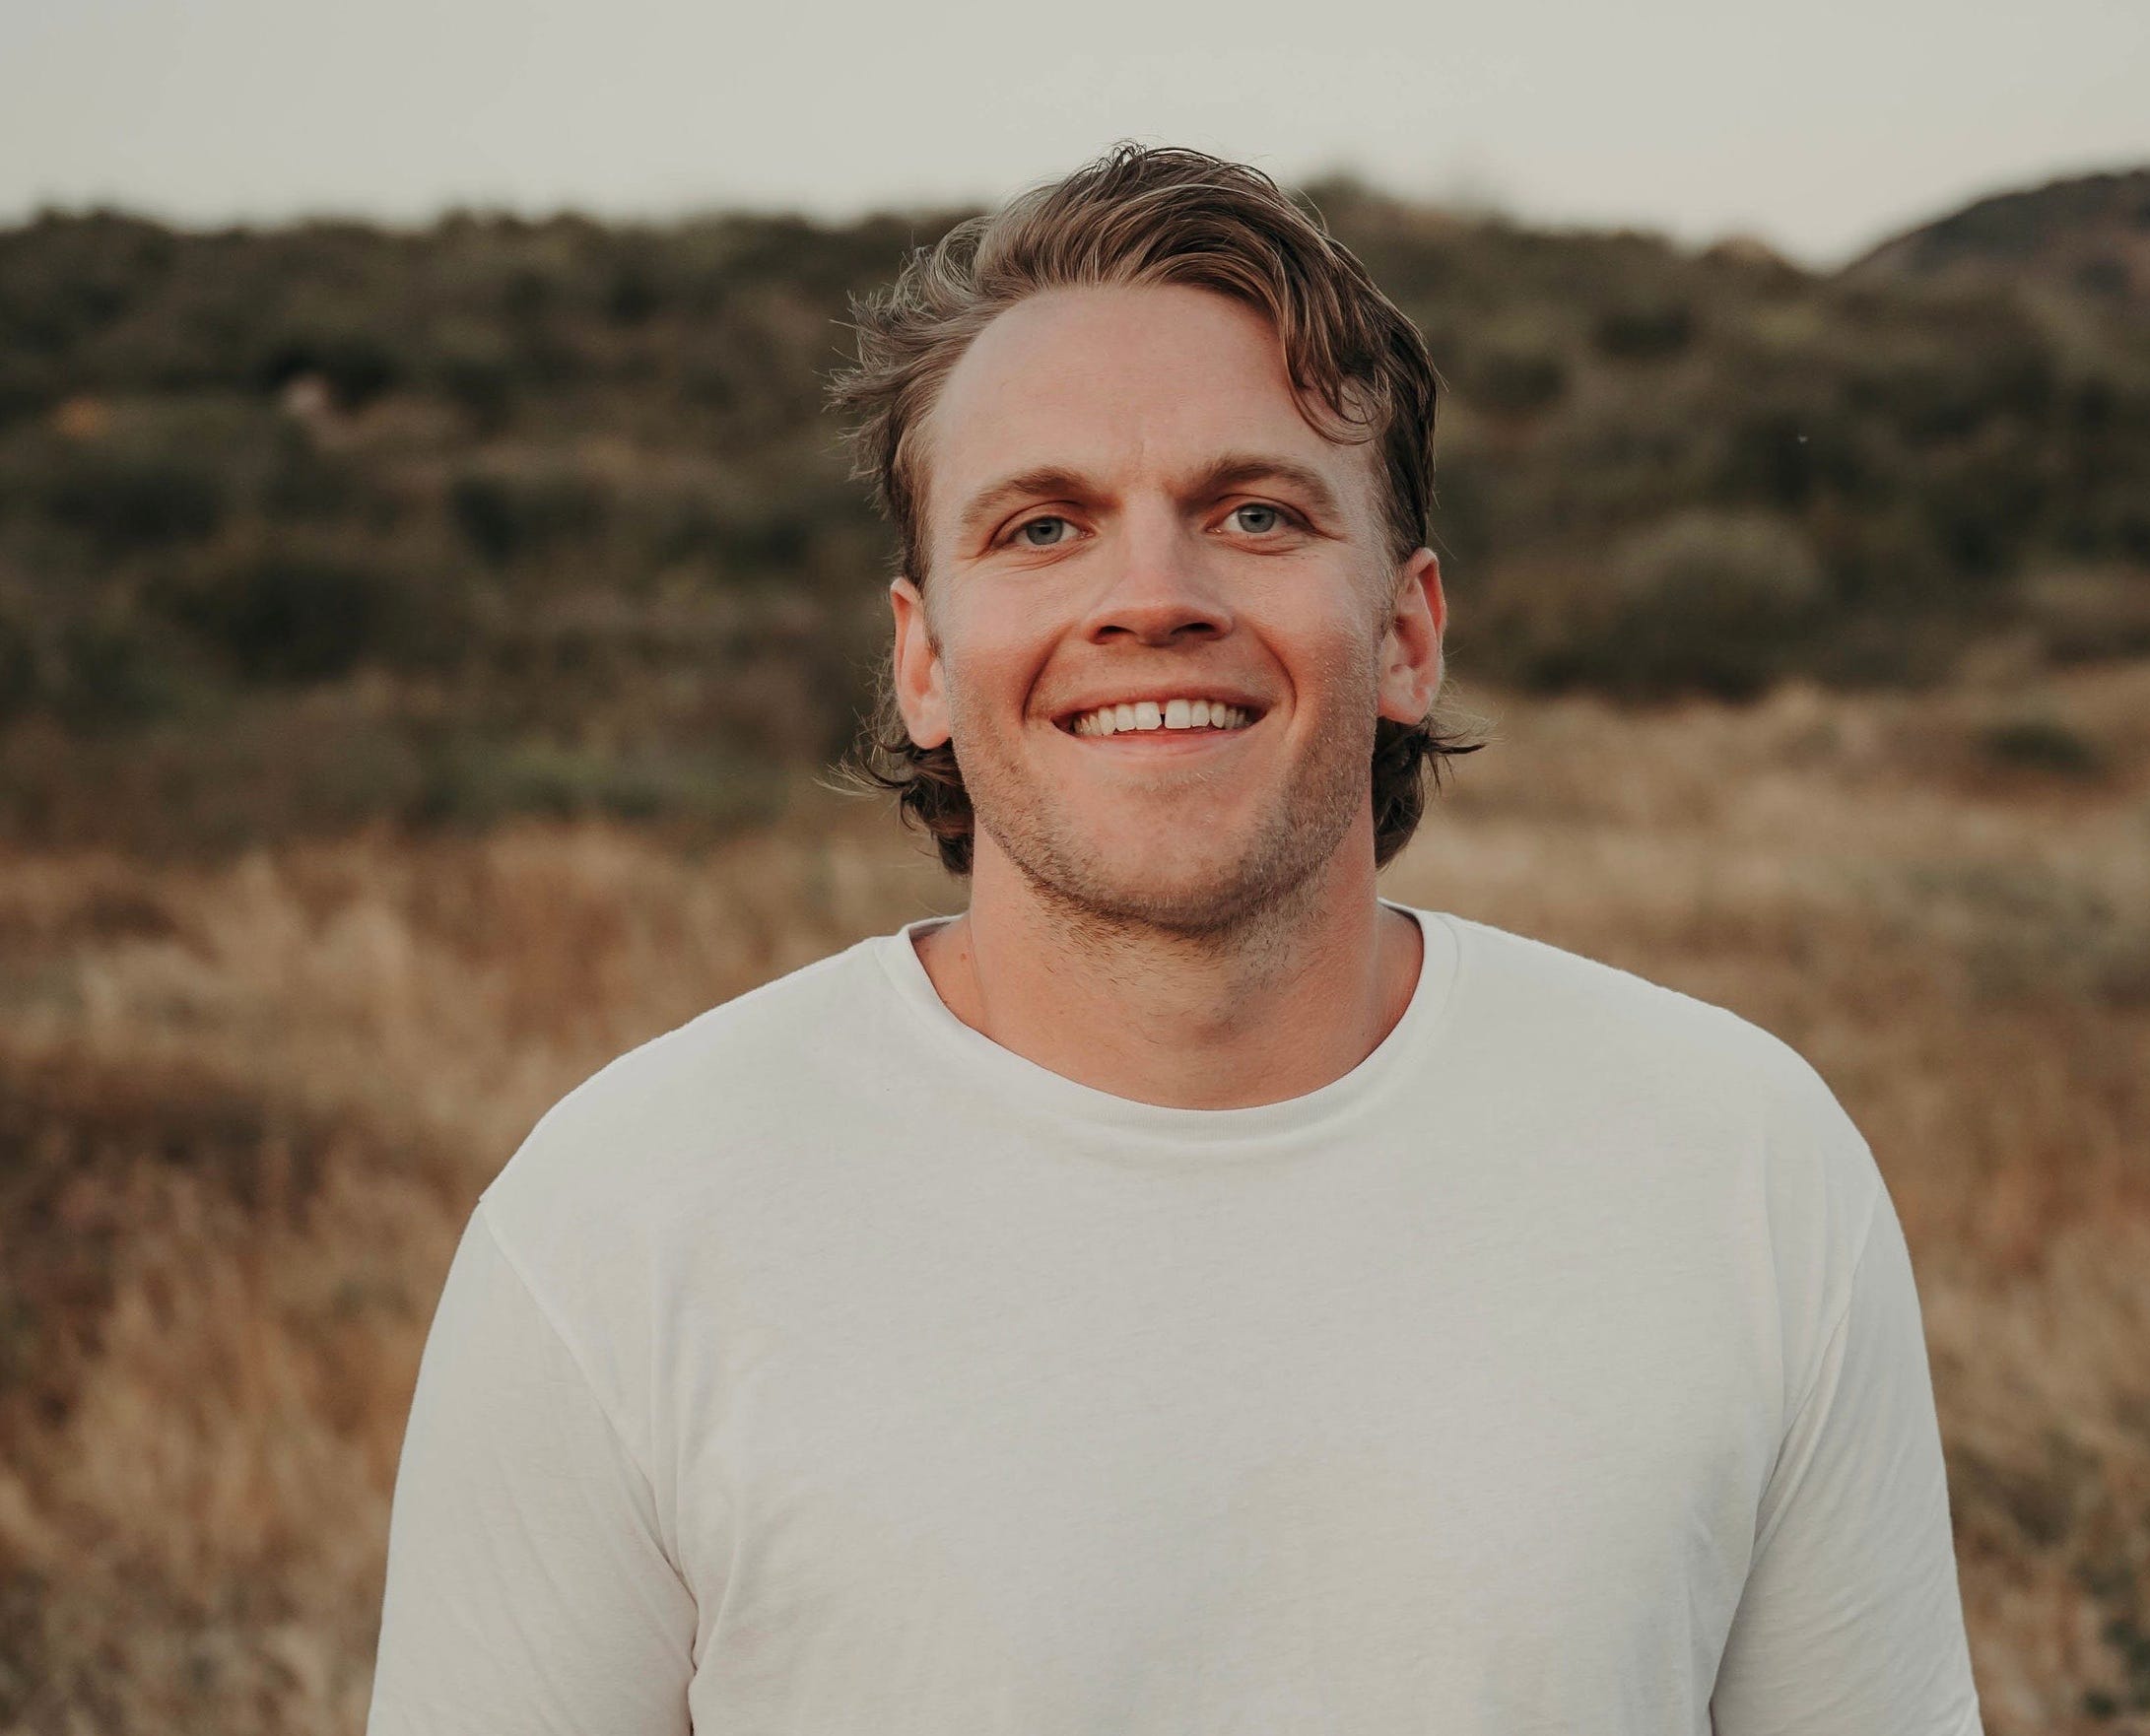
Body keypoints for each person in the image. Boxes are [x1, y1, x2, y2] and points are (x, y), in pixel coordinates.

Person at [365, 143, 1982, 1735]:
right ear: (922, 660)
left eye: (1256, 514)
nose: (1150, 594)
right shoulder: (619, 1223)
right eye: (1040, 528)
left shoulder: (1740, 1163)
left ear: (1406, 631)